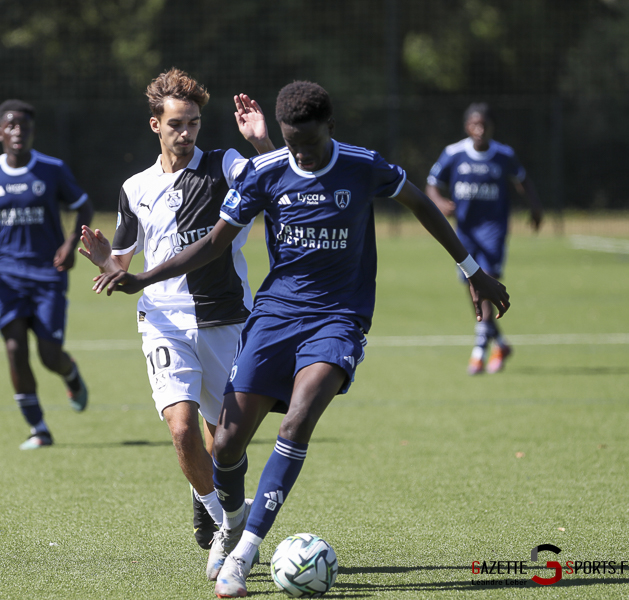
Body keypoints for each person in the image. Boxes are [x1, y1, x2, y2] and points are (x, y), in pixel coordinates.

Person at [91, 81, 510, 597]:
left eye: (310, 145)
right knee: (223, 443)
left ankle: (243, 555)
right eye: (293, 145)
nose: (303, 156)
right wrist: (143, 278)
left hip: (338, 317)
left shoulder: (362, 164)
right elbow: (213, 243)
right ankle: (229, 522)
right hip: (273, 314)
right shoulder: (270, 169)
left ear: (329, 128)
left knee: (297, 420)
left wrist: (472, 269)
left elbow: (421, 203)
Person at [79, 68, 275, 551]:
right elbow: (124, 261)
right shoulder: (135, 188)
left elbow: (277, 179)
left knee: (224, 441)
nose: (185, 134)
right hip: (163, 319)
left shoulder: (224, 164)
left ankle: (216, 502)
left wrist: (262, 141)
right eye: (175, 125)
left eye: (192, 124)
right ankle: (225, 519)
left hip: (225, 317)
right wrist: (108, 262)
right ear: (155, 126)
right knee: (182, 427)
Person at [0, 99, 94, 450]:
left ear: (33, 132)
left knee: (49, 354)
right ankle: (39, 428)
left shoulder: (51, 169)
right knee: (14, 348)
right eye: (11, 125)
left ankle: (70, 372)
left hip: (47, 275)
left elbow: (83, 204)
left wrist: (70, 243)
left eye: (24, 125)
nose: (18, 131)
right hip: (6, 275)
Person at [426, 102, 542, 375]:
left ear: (492, 127)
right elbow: (432, 183)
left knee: (485, 280)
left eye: (484, 124)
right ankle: (500, 343)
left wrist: (536, 206)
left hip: (493, 231)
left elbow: (522, 180)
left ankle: (479, 351)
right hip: (464, 232)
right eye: (474, 124)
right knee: (473, 288)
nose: (479, 129)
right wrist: (439, 201)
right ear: (467, 127)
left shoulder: (503, 155)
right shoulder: (454, 154)